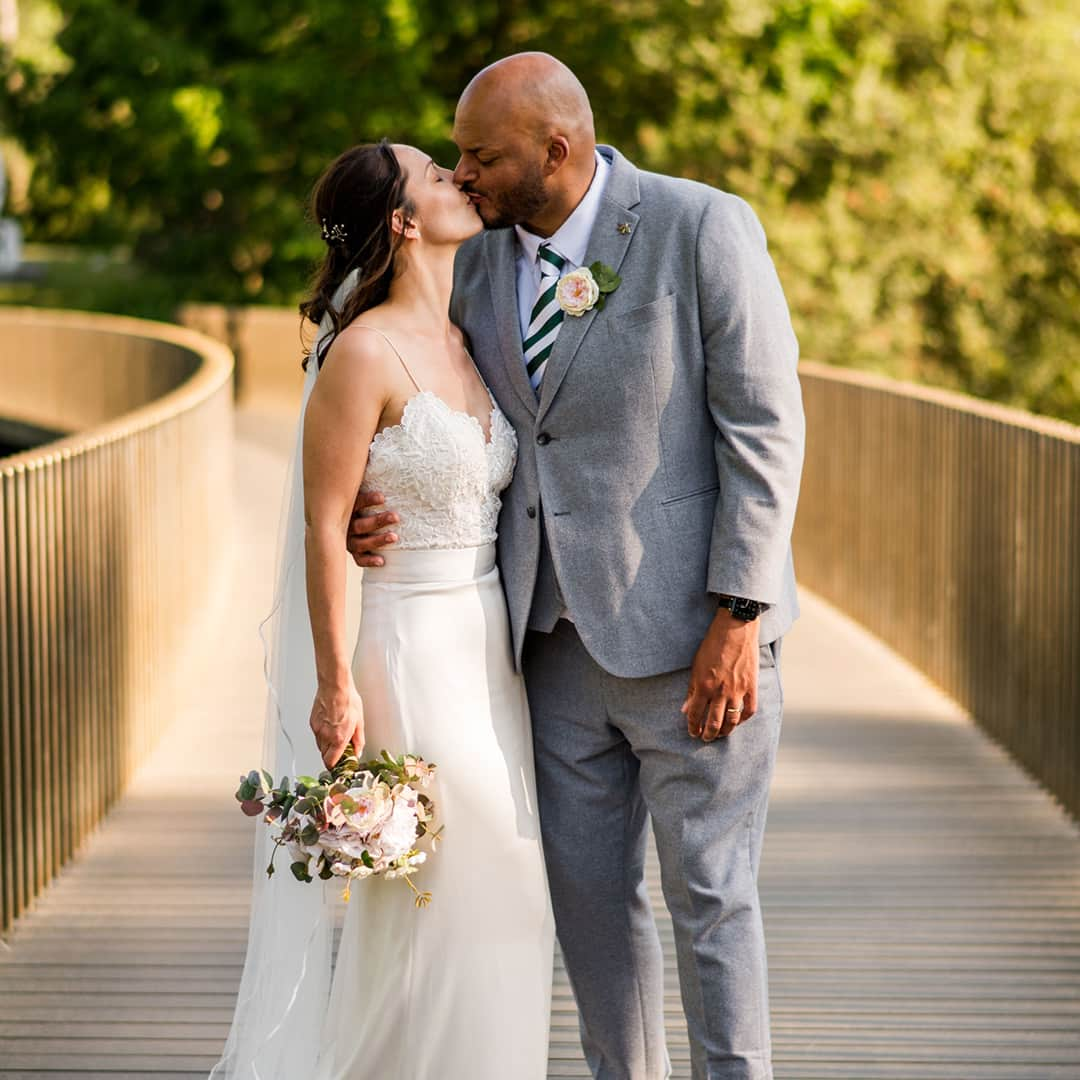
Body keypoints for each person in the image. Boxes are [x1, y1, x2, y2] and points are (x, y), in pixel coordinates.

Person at [347, 54, 805, 1080]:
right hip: (543, 649)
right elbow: (411, 388)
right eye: (456, 157)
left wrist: (740, 616)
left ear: (558, 149)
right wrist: (365, 506)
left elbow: (765, 432)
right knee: (592, 909)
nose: (463, 175)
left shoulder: (701, 226)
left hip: (696, 639)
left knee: (712, 897)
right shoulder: (472, 260)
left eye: (482, 155)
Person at [208, 140, 553, 1079]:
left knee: (511, 902)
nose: (459, 177)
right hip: (413, 650)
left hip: (493, 652)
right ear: (403, 222)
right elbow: (325, 530)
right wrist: (332, 687)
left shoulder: (470, 334)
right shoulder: (362, 354)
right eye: (436, 175)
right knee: (448, 902)